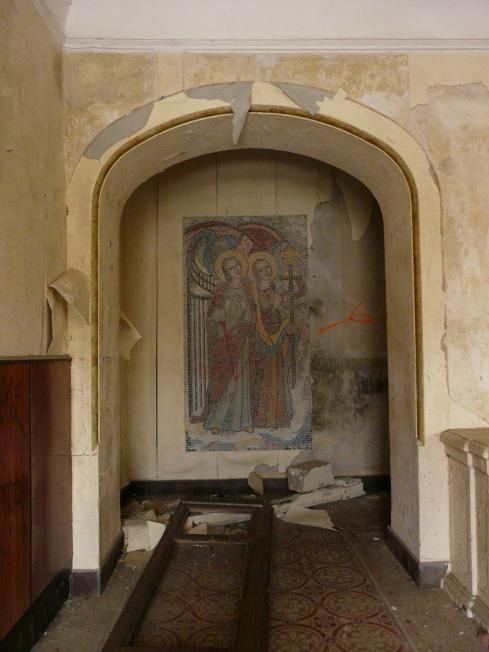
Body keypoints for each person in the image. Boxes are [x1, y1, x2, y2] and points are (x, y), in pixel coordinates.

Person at [203, 251, 256, 434]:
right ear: (226, 272)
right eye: (232, 268)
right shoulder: (221, 291)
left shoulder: (248, 289)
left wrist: (246, 311)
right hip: (226, 341)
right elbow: (211, 317)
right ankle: (217, 422)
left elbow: (253, 317)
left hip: (243, 340)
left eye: (238, 265)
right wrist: (222, 313)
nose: (237, 269)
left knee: (242, 381)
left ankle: (244, 421)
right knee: (228, 381)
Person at [249, 252, 293, 428]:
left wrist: (286, 323)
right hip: (259, 340)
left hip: (277, 338)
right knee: (260, 377)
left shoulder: (277, 292)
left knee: (276, 375)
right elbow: (251, 317)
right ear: (255, 274)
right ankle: (260, 417)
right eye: (261, 270)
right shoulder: (252, 293)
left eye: (267, 268)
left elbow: (284, 314)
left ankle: (278, 416)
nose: (266, 272)